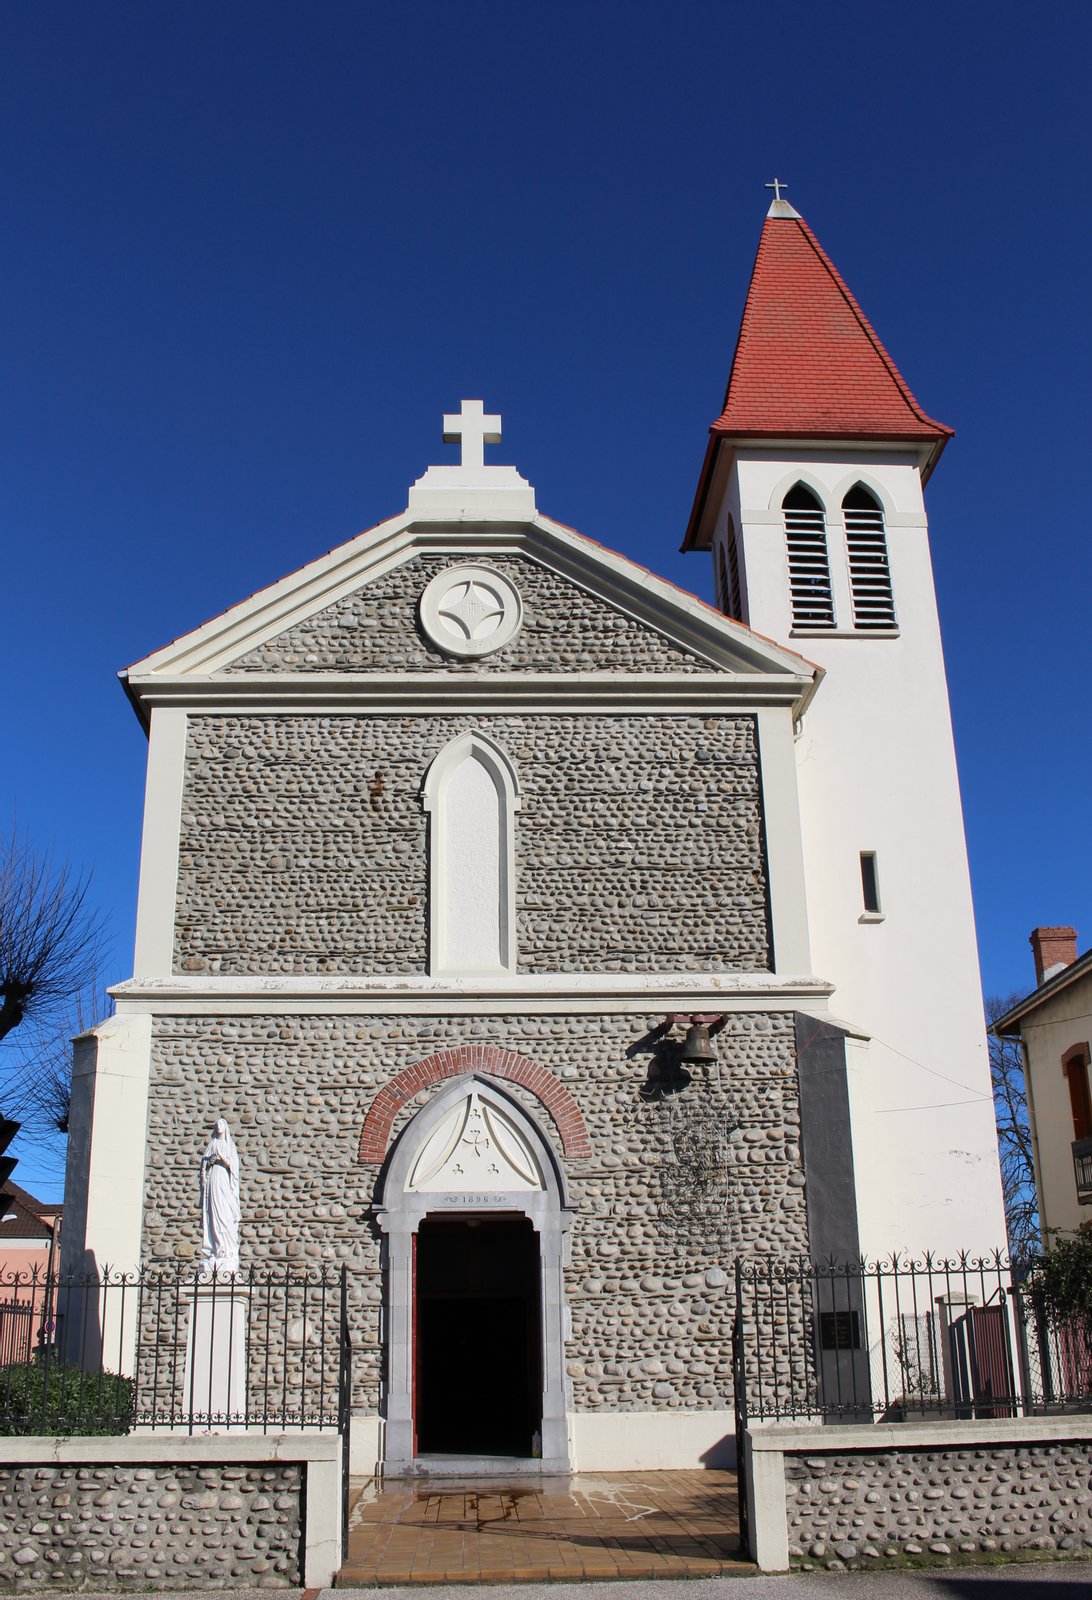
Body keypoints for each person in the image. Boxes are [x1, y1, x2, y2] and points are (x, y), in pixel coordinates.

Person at [199, 1118, 241, 1276]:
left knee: (225, 1212)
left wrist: (223, 1160)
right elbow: (204, 1164)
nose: (219, 1126)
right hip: (213, 1180)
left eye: (221, 1124)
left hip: (224, 1179)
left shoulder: (229, 1146)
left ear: (226, 1127)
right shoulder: (212, 1144)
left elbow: (234, 1166)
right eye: (217, 1125)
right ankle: (216, 1248)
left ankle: (227, 1248)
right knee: (214, 1213)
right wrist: (209, 1162)